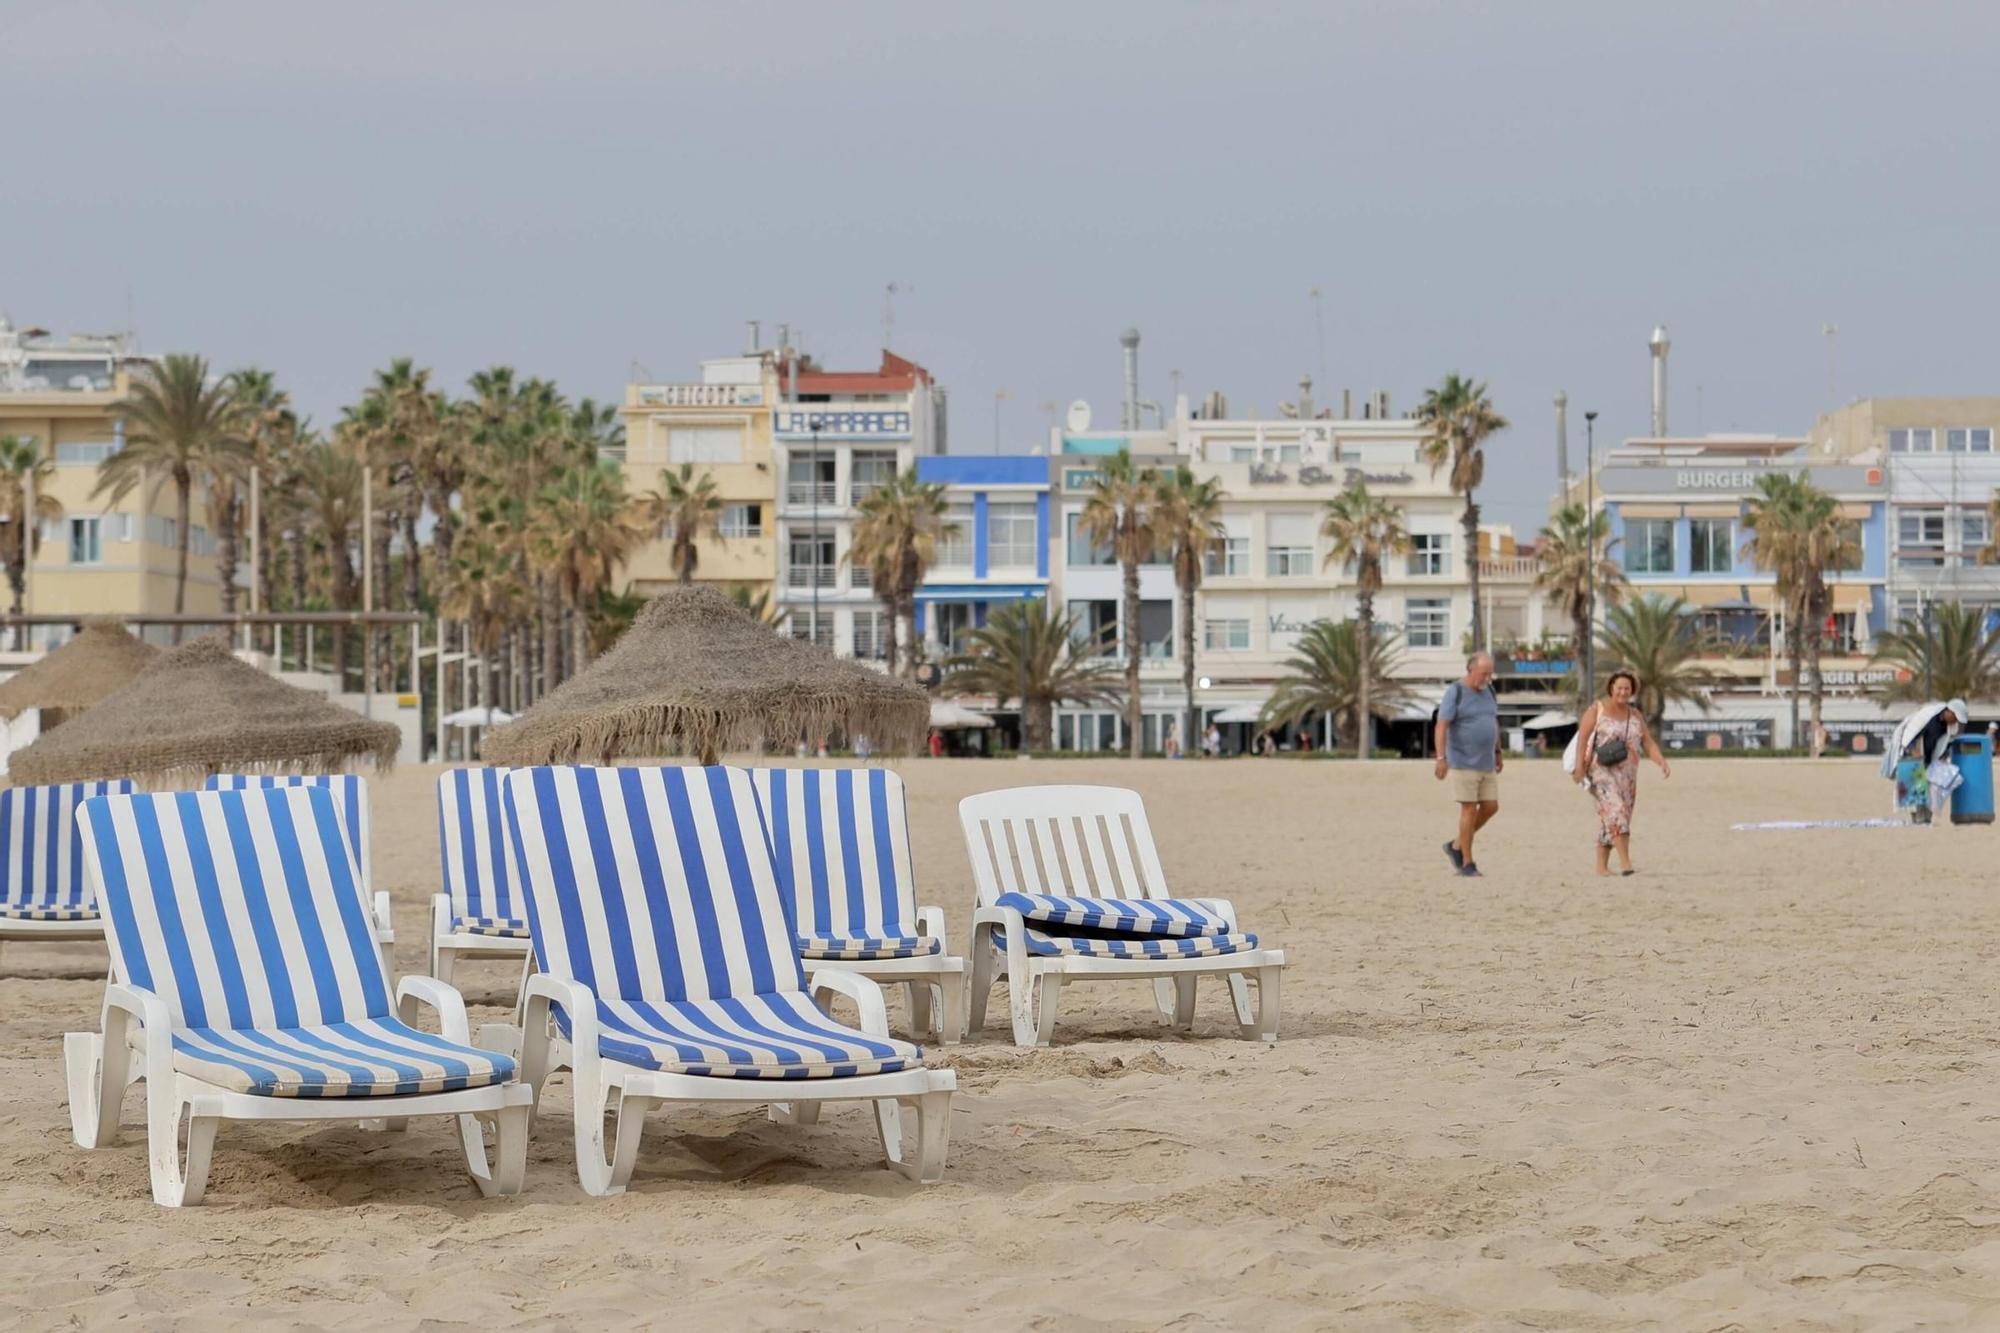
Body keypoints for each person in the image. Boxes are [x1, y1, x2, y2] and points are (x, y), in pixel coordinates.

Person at [1574, 670, 1671, 875]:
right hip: (1600, 772)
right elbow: (1582, 740)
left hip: (1627, 775)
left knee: (1611, 818)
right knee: (1617, 812)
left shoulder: (1635, 715)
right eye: (1619, 688)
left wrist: (1660, 760)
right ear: (1611, 688)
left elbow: (1647, 741)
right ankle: (1626, 863)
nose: (1623, 692)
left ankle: (1601, 867)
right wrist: (1579, 768)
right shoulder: (1597, 710)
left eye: (1627, 688)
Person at [1435, 652, 1502, 877]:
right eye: (1484, 674)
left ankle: (1455, 845)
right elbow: (1441, 726)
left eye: (1490, 674)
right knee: (1469, 810)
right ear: (1471, 670)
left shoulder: (1489, 691)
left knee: (1491, 806)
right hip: (1463, 761)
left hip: (1487, 762)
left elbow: (1493, 721)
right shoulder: (1456, 692)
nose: (1488, 678)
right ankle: (1466, 861)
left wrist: (1498, 751)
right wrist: (1441, 758)